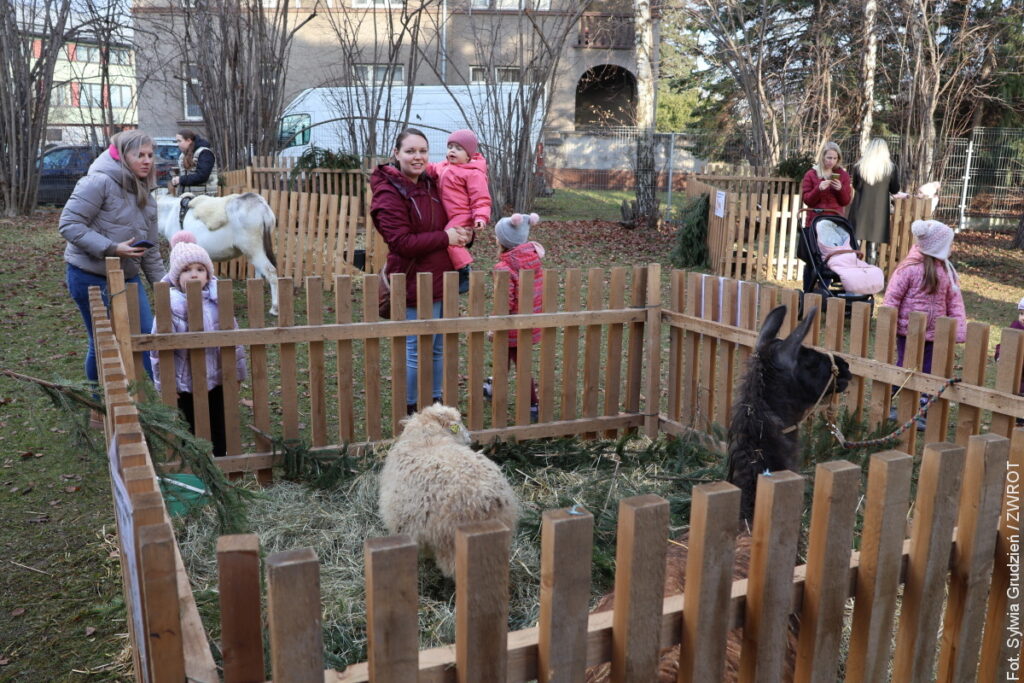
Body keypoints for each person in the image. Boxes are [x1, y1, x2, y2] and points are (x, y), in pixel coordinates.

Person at [60, 130, 165, 425]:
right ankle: (99, 406)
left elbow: (152, 252)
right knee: (103, 343)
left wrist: (168, 288)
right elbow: (68, 224)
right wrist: (111, 248)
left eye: (149, 155)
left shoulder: (146, 193)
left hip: (128, 277)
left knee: (146, 337)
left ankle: (161, 407)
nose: (146, 161)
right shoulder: (98, 181)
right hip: (89, 275)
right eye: (139, 155)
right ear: (122, 156)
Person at [370, 128, 471, 414]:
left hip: (440, 279)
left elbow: (451, 218)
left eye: (423, 151)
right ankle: (412, 409)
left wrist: (463, 233)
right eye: (411, 151)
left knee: (437, 348)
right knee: (414, 351)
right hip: (411, 281)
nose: (418, 157)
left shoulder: (432, 183)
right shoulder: (388, 193)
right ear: (396, 153)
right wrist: (445, 238)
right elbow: (401, 242)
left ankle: (435, 402)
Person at [150, 232, 247, 457]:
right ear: (175, 276)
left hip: (219, 377)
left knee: (219, 423)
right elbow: (159, 350)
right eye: (186, 270)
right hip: (186, 383)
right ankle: (195, 468)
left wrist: (237, 374)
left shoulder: (219, 301)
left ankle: (222, 463)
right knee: (189, 428)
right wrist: (165, 384)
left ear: (208, 273)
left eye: (200, 269)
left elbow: (235, 342)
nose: (194, 275)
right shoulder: (170, 306)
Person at [882, 219, 967, 427]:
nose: (952, 249)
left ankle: (922, 409)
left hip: (935, 334)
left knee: (929, 370)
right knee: (906, 366)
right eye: (949, 244)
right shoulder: (908, 269)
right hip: (908, 332)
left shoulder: (946, 271)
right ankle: (899, 402)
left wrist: (959, 331)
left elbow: (954, 302)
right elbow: (892, 298)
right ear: (938, 246)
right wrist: (889, 323)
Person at [492, 213, 544, 422]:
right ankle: (493, 386)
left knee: (518, 363)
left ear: (503, 241)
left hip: (512, 325)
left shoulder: (504, 267)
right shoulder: (533, 258)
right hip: (530, 321)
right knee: (504, 357)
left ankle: (532, 404)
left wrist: (494, 326)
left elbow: (505, 303)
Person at [432, 129, 491, 291]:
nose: (452, 151)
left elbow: (481, 198)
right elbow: (429, 169)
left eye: (458, 148)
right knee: (445, 239)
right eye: (450, 146)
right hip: (448, 215)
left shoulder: (473, 173)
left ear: (468, 156)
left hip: (463, 215)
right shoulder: (443, 166)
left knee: (452, 239)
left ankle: (464, 270)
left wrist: (480, 217)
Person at [802, 142, 852, 290]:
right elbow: (807, 200)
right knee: (813, 258)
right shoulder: (812, 174)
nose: (831, 161)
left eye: (835, 158)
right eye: (829, 157)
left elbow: (845, 201)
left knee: (830, 258)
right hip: (815, 223)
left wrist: (840, 189)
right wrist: (819, 189)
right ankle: (808, 290)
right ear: (822, 157)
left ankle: (823, 289)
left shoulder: (842, 175)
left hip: (834, 223)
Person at [849, 138, 907, 261]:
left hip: (860, 211)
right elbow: (895, 189)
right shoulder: (890, 169)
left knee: (855, 247)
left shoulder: (859, 167)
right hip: (878, 213)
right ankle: (871, 277)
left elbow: (856, 186)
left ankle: (853, 276)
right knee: (873, 249)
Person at [994, 296, 1024, 407]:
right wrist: (1000, 355)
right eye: (1021, 313)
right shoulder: (1015, 327)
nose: (1023, 317)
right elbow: (1003, 344)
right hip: (1014, 376)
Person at [170, 129, 218, 195]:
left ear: (189, 141)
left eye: (179, 141)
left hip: (205, 197)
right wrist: (176, 181)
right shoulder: (182, 155)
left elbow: (202, 176)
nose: (177, 144)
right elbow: (184, 175)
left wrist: (181, 180)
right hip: (187, 197)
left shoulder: (204, 153)